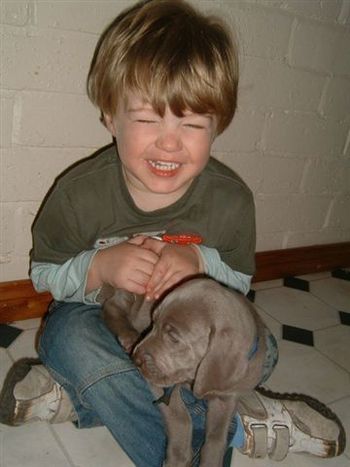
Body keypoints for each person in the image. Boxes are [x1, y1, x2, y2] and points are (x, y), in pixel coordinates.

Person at [0, 1, 345, 465]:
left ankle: (83, 399)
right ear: (110, 116)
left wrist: (201, 265)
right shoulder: (78, 194)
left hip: (183, 343)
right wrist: (100, 267)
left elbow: (239, 285)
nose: (169, 141)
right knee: (68, 343)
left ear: (217, 125)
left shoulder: (231, 200)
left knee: (260, 352)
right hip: (100, 324)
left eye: (192, 123)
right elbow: (45, 274)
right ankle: (239, 423)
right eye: (147, 119)